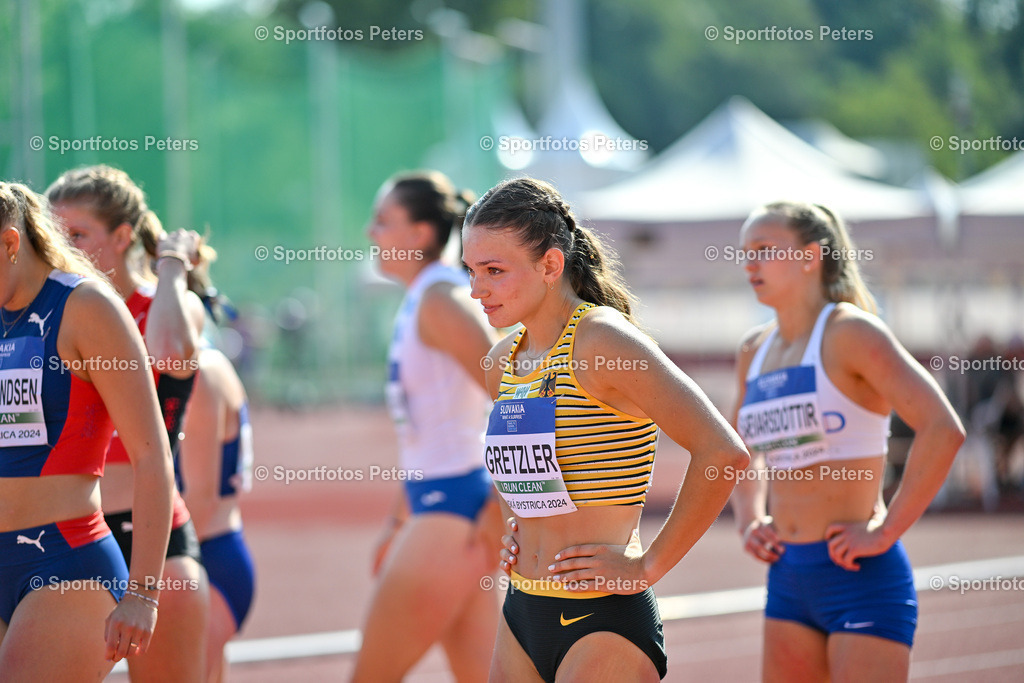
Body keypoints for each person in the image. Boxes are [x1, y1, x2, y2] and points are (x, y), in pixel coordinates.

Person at [469, 177, 749, 682]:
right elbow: (539, 471)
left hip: (602, 620)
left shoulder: (603, 341)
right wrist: (520, 526)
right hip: (521, 610)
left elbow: (722, 452)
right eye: (471, 271)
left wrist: (649, 566)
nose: (476, 290)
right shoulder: (501, 363)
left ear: (550, 265)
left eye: (494, 271)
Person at [729, 201, 965, 682]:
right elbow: (739, 450)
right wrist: (749, 516)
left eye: (764, 249)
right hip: (789, 577)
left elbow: (944, 428)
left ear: (810, 256)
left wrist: (885, 531)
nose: (749, 263)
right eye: (744, 252)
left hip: (858, 573)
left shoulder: (850, 333)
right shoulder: (754, 349)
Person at [0, 182, 174, 680]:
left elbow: (151, 457)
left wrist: (143, 595)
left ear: (12, 244)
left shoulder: (87, 307)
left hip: (63, 562)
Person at [47, 166, 211, 682]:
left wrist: (168, 265)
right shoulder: (51, 314)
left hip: (152, 541)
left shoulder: (166, 304)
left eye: (76, 235)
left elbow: (169, 351)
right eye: (53, 236)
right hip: (68, 540)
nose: (62, 248)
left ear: (122, 237)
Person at [351, 171, 502, 683]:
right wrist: (397, 521)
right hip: (439, 506)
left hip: (452, 511)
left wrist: (501, 503)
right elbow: (422, 437)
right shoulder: (423, 298)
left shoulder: (442, 300)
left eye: (383, 221)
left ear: (419, 234)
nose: (371, 232)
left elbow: (517, 398)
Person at [180, 342, 256, 683]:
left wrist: (147, 574)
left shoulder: (202, 372)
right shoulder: (212, 362)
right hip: (216, 554)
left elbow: (201, 499)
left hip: (206, 558)